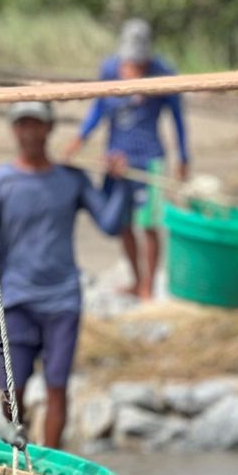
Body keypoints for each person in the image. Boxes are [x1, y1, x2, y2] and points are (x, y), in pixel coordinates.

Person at [0, 101, 131, 450]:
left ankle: (49, 466)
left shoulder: (70, 179)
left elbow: (111, 223)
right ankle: (17, 447)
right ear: (14, 130)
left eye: (36, 124)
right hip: (15, 299)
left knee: (57, 385)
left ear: (49, 128)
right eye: (22, 124)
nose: (29, 132)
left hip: (62, 300)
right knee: (12, 387)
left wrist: (116, 185)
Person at [68, 19, 189, 299]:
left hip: (150, 160)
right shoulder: (109, 70)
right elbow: (98, 108)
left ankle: (148, 285)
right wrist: (80, 138)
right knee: (122, 224)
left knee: (149, 224)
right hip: (116, 161)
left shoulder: (163, 74)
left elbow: (179, 120)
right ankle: (136, 279)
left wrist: (183, 157)